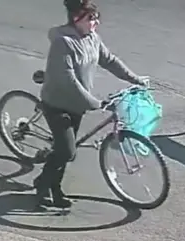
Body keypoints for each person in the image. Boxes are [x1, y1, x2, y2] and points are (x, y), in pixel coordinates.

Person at [34, 0, 149, 208]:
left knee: (65, 151)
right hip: (57, 103)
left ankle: (55, 189)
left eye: (96, 18)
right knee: (67, 152)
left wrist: (135, 79)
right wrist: (96, 103)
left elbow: (110, 61)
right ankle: (41, 184)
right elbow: (69, 81)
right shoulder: (64, 42)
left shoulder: (93, 39)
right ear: (76, 19)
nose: (95, 22)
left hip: (76, 106)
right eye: (90, 18)